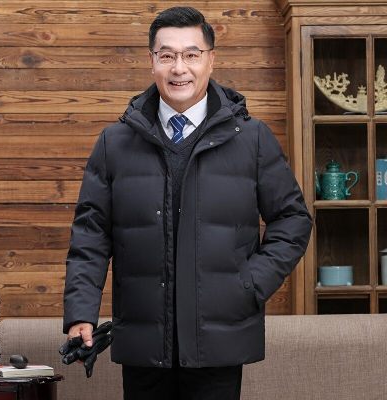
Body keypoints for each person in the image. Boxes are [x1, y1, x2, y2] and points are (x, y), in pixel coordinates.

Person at [63, 6, 312, 400]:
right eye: (167, 55)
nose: (179, 68)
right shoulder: (115, 143)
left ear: (210, 60)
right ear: (152, 61)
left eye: (191, 54)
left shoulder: (251, 138)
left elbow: (293, 220)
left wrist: (249, 284)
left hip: (219, 340)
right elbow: (90, 235)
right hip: (144, 342)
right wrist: (81, 313)